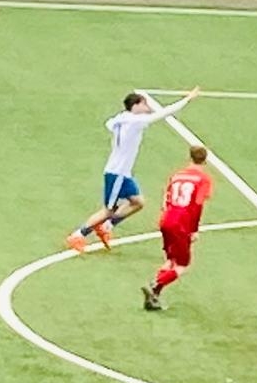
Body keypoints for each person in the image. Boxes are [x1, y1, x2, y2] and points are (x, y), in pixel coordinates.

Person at [67, 89, 200, 253]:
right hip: (118, 173)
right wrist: (187, 99)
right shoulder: (135, 121)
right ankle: (78, 235)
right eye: (144, 104)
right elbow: (163, 114)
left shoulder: (121, 118)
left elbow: (109, 123)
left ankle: (106, 226)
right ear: (135, 106)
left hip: (123, 173)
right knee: (108, 210)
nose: (147, 107)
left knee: (138, 202)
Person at [142, 145, 214, 310]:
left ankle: (154, 297)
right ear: (205, 160)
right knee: (182, 264)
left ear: (189, 157)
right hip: (181, 223)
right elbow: (197, 205)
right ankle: (155, 284)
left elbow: (165, 202)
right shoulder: (203, 180)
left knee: (170, 260)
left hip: (166, 220)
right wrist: (194, 229)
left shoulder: (176, 176)